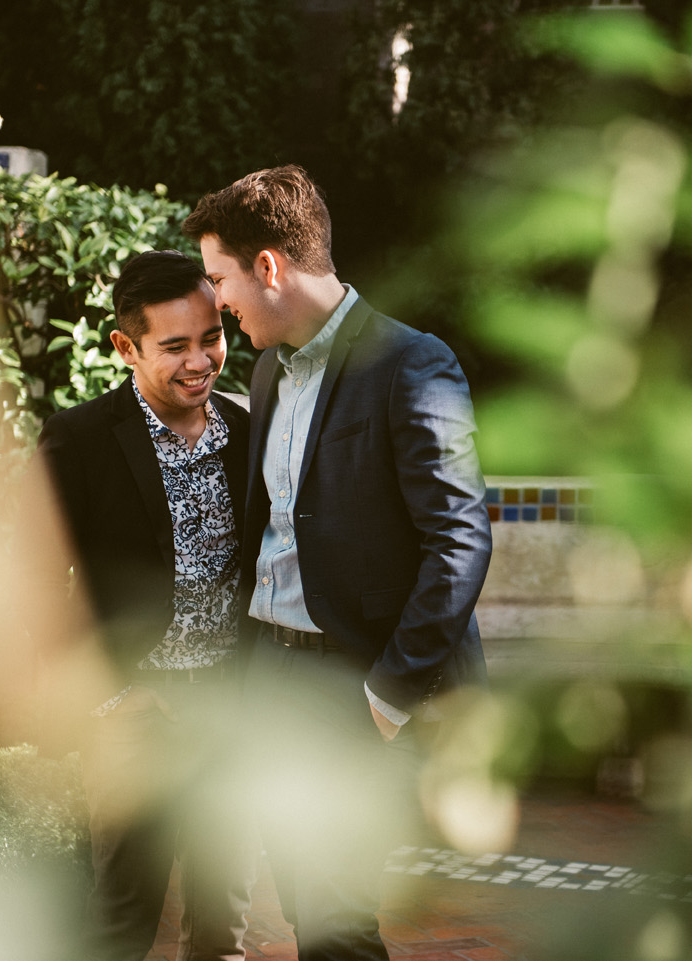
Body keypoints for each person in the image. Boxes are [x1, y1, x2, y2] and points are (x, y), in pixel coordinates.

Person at [182, 165, 493, 961]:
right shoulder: (266, 367)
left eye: (220, 278)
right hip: (272, 679)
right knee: (304, 910)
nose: (217, 301)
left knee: (334, 924)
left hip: (353, 687)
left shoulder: (411, 363)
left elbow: (458, 540)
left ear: (269, 267)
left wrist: (385, 699)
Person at [30, 250, 258, 961]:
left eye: (211, 337)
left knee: (225, 927)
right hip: (134, 717)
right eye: (175, 346)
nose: (201, 360)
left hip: (231, 708)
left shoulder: (251, 430)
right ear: (125, 348)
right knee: (121, 923)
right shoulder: (79, 438)